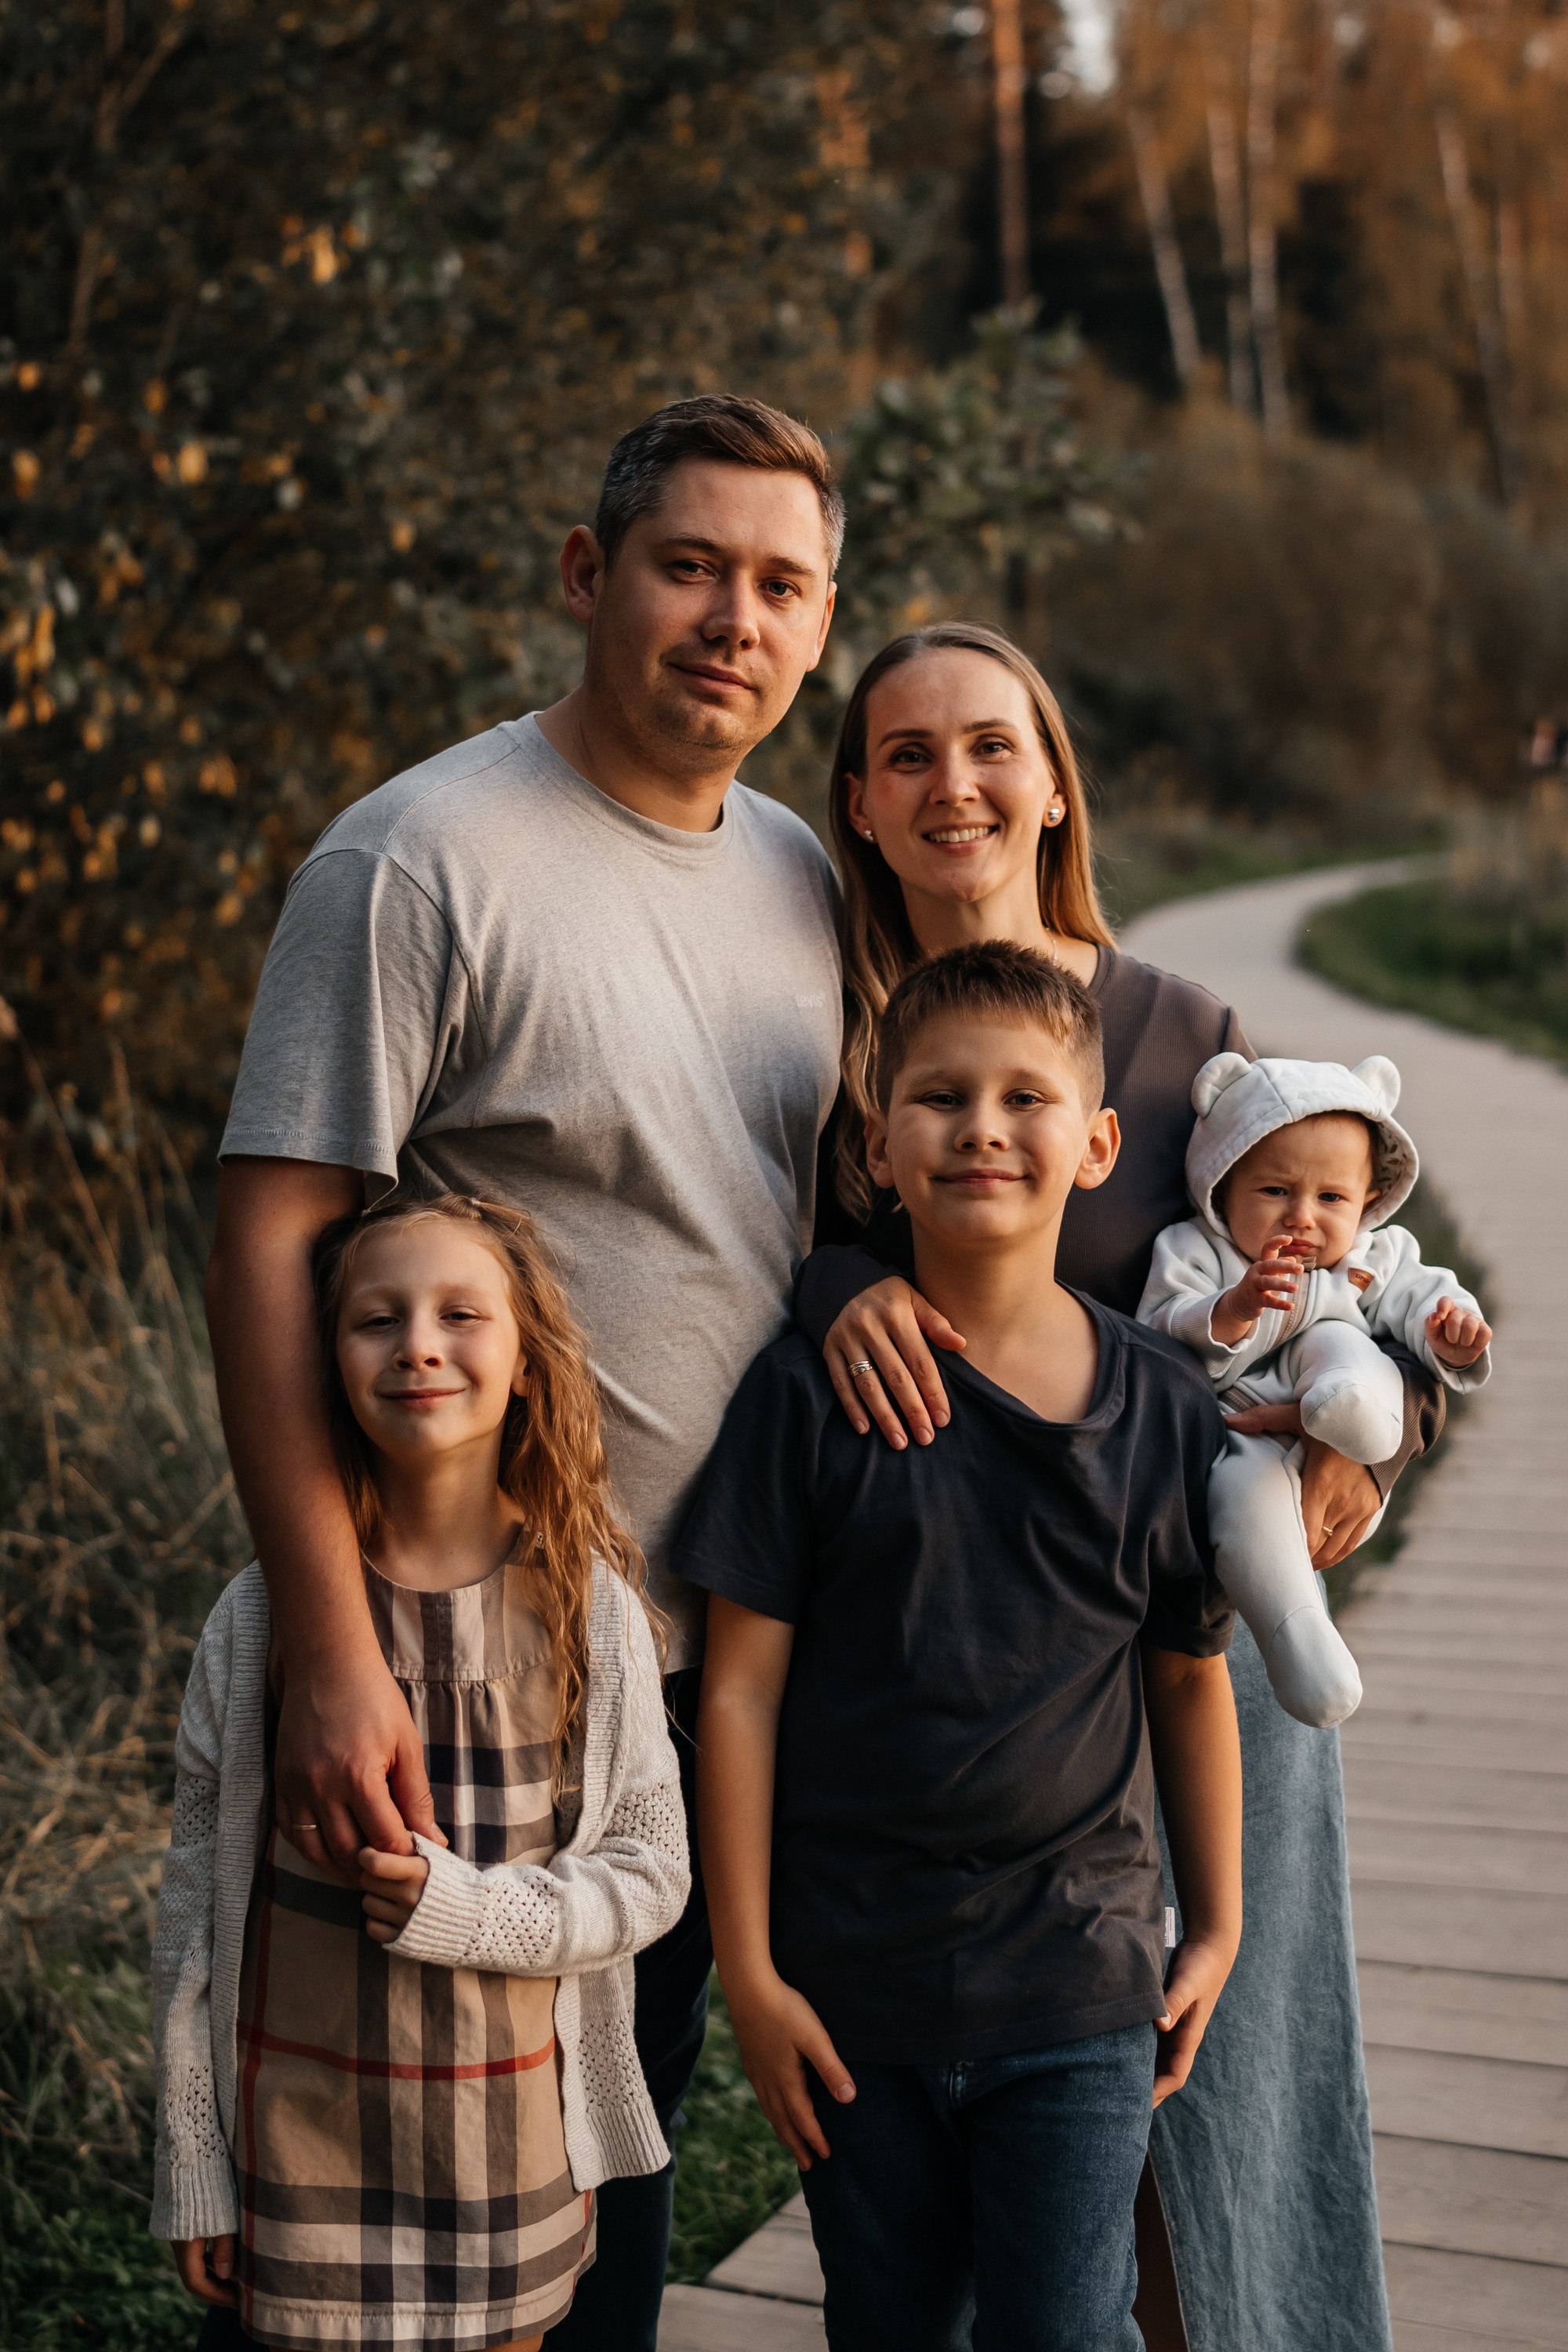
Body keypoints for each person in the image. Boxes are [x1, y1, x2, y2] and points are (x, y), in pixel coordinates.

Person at [205, 395, 845, 2349]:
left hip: (687, 1664)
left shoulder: (804, 871)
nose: (731, 618)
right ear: (587, 576)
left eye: (780, 584)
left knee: (589, 2189)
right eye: (687, 566)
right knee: (359, 2207)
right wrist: (329, 1644)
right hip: (452, 1654)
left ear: (820, 623)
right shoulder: (421, 857)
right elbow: (266, 1237)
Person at [793, 621, 1444, 2350]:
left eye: (993, 745)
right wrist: (836, 1283)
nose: (957, 785)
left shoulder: (1176, 1031)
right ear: (856, 804)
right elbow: (769, 1282)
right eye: (911, 754)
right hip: (970, 1688)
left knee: (1221, 2099)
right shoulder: (836, 1039)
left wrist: (1357, 1453)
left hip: (1186, 1642)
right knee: (1046, 2139)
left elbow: (1335, 1254)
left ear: (1056, 778)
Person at [682, 943, 1243, 2352]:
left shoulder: (1167, 1411)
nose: (983, 1126)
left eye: (1024, 1098)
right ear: (878, 1143)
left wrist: (1221, 1921)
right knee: (891, 2324)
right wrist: (748, 1972)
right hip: (852, 1991)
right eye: (938, 1098)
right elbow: (741, 1695)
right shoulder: (805, 1399)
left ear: (1100, 1143)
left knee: (1064, 2331)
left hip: (1077, 1980)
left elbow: (1186, 1677)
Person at [152, 1195, 688, 2350]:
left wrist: (470, 1912)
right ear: (324, 1365)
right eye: (377, 1321)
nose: (420, 1346)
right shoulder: (263, 1624)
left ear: (529, 1365)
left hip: (507, 2146)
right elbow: (196, 1904)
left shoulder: (590, 1611)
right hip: (300, 2136)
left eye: (460, 1314)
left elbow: (653, 1877)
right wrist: (196, 2160)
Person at [1140, 1051, 1491, 1726]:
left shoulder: (1373, 1255)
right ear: (1223, 1185)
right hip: (1237, 1432)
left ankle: (1354, 1408)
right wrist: (1233, 1308)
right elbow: (1160, 1323)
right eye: (1274, 1192)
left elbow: (1423, 1297)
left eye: (1331, 1198)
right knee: (1243, 1501)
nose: (1303, 1217)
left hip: (1348, 1429)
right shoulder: (1193, 1250)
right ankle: (1301, 1642)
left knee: (1344, 1342)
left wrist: (1450, 1331)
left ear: (1366, 1202)